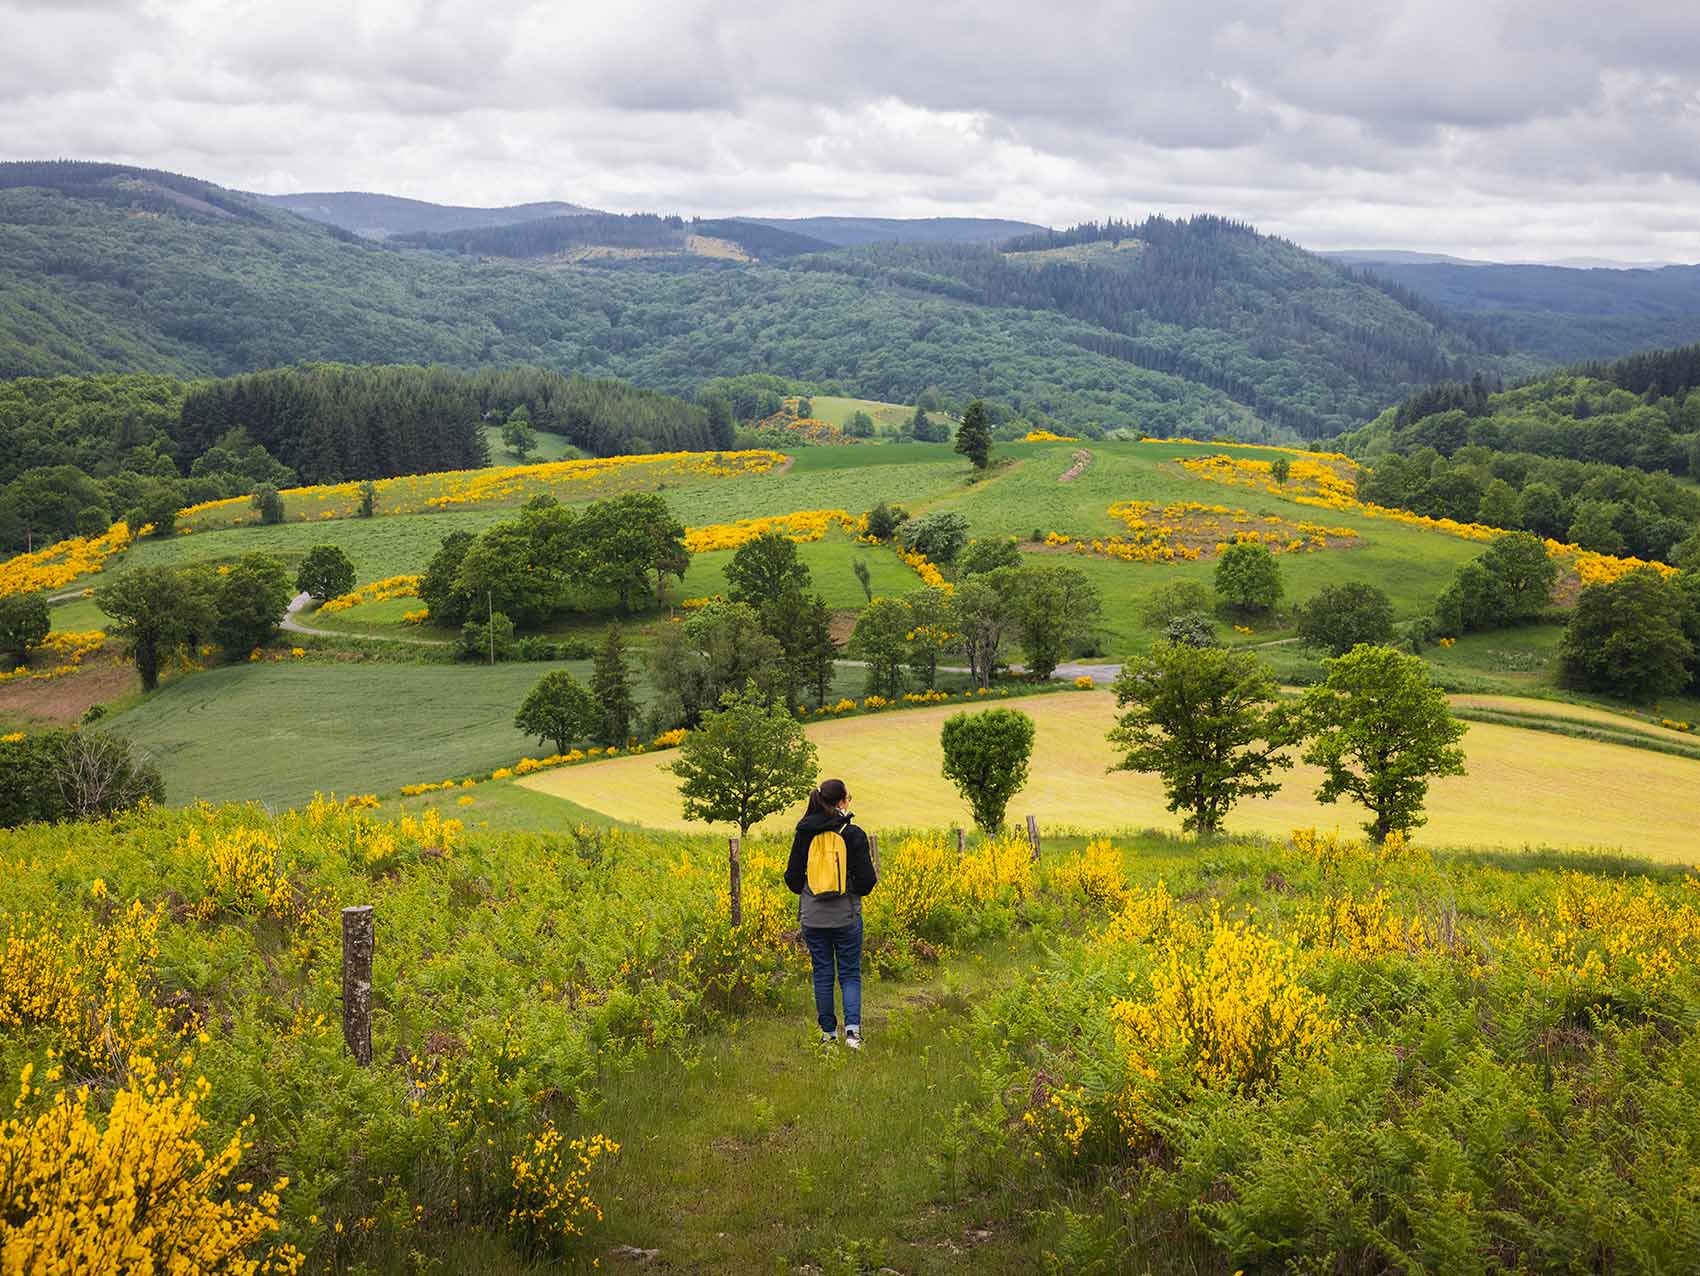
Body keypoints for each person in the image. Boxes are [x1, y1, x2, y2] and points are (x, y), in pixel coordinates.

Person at [784, 778, 877, 1048]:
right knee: (849, 973)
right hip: (846, 915)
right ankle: (852, 1034)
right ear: (842, 802)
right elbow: (867, 881)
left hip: (813, 917)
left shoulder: (804, 832)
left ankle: (828, 1035)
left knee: (822, 973)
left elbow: (791, 878)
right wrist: (848, 888)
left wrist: (812, 889)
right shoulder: (852, 833)